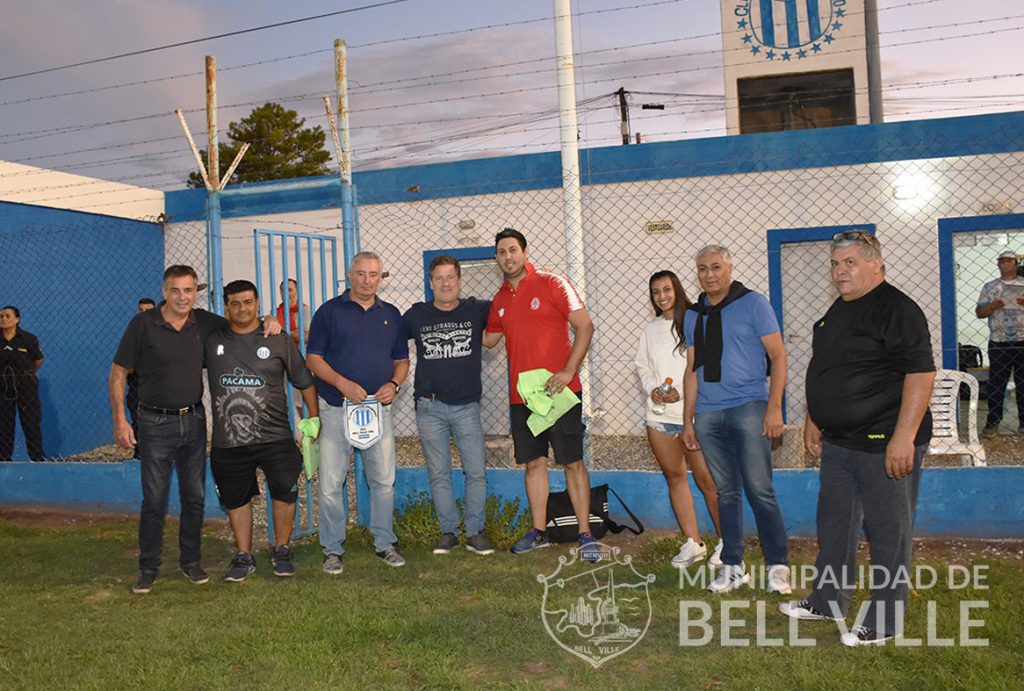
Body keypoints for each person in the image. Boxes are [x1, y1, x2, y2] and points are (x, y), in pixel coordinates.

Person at [780, 230, 935, 647]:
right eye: (835, 264)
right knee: (834, 525)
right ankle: (828, 600)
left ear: (876, 264)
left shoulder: (897, 309)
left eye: (849, 262)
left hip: (884, 441)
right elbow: (827, 368)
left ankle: (885, 620)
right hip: (839, 441)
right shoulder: (839, 308)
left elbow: (921, 374)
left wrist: (903, 438)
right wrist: (815, 416)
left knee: (888, 531)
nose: (840, 271)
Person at [109, 265, 280, 594]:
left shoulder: (203, 322)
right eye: (176, 290)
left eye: (189, 290)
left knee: (194, 497)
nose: (182, 297)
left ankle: (191, 561)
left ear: (195, 292)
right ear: (165, 291)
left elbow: (241, 321)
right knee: (154, 500)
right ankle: (148, 567)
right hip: (153, 422)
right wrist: (120, 419)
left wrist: (269, 317)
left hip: (194, 420)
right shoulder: (143, 324)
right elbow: (118, 371)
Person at [484, 228, 601, 563]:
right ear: (496, 259)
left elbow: (586, 326)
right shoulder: (499, 300)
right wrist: (454, 315)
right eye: (502, 252)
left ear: (525, 251)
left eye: (513, 250)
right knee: (534, 463)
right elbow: (488, 339)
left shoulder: (552, 283)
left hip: (561, 393)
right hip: (523, 400)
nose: (508, 257)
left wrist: (568, 371)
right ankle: (539, 532)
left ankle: (585, 534)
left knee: (572, 463)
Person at [681, 245, 791, 594]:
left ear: (729, 268)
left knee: (760, 490)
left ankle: (778, 566)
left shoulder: (754, 303)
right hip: (708, 414)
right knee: (725, 492)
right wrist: (688, 422)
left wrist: (774, 408)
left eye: (716, 267)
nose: (709, 274)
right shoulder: (693, 315)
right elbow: (691, 370)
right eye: (702, 269)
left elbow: (778, 356)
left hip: (749, 407)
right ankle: (732, 566)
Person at [206, 280, 319, 582]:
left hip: (276, 437)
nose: (242, 309)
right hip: (229, 442)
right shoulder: (211, 338)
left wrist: (314, 420)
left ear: (258, 303)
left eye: (247, 302)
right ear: (226, 307)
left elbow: (304, 381)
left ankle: (282, 549)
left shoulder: (278, 338)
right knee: (236, 499)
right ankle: (244, 555)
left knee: (284, 492)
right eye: (235, 303)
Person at [306, 251, 410, 573]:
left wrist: (394, 384)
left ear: (381, 277)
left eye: (374, 275)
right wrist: (341, 383)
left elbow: (402, 360)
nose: (367, 280)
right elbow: (313, 359)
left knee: (383, 480)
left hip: (377, 411)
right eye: (361, 274)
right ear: (350, 275)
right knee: (331, 483)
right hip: (337, 409)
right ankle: (332, 549)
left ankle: (384, 544)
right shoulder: (329, 312)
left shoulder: (392, 314)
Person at [403, 255, 495, 556]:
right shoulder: (416, 315)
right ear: (431, 284)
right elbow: (382, 330)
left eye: (450, 277)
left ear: (459, 280)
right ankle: (448, 532)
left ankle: (475, 532)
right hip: (429, 408)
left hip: (466, 407)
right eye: (439, 278)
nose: (445, 283)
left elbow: (512, 307)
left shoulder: (475, 309)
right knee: (439, 473)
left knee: (476, 471)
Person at [634, 271, 722, 568]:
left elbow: (701, 368)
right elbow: (642, 366)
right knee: (675, 477)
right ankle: (693, 543)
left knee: (708, 480)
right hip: (658, 418)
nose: (662, 296)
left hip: (693, 417)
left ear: (677, 290)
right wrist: (653, 390)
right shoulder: (650, 330)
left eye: (667, 290)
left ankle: (726, 544)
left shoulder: (696, 321)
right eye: (656, 292)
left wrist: (682, 397)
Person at [976, 249, 1024, 437]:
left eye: (1009, 260)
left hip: (1023, 341)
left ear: (1016, 263)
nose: (1005, 263)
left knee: (1023, 384)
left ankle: (1023, 424)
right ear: (998, 264)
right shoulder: (990, 287)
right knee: (997, 384)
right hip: (999, 342)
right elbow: (979, 313)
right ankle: (993, 422)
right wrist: (992, 307)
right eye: (1001, 260)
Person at [0, 306, 45, 462]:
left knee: (31, 422)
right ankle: (4, 459)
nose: (4, 319)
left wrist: (25, 374)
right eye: (1, 316)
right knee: (4, 424)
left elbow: (38, 360)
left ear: (17, 319)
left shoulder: (28, 339)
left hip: (26, 386)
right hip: (3, 387)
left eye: (7, 316)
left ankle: (37, 458)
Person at [125, 298, 156, 459]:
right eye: (141, 310)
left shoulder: (163, 334)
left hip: (158, 388)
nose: (144, 314)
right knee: (138, 421)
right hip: (137, 387)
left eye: (148, 310)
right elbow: (125, 366)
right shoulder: (132, 335)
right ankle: (140, 454)